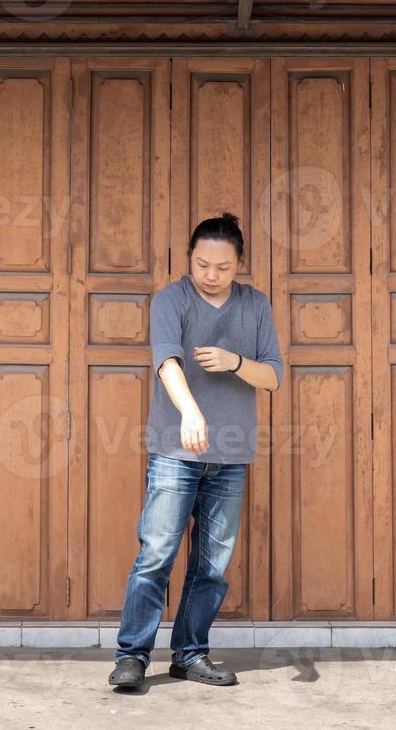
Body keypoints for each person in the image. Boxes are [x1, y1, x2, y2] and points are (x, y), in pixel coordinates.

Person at [108, 211, 283, 691]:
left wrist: (236, 362)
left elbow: (273, 376)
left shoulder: (256, 305)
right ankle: (132, 656)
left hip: (231, 455)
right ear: (190, 258)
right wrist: (189, 412)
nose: (210, 275)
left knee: (212, 565)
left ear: (239, 264)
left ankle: (190, 654)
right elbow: (166, 359)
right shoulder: (172, 299)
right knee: (157, 552)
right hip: (174, 450)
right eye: (202, 264)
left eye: (223, 267)